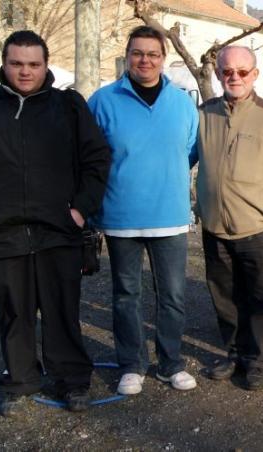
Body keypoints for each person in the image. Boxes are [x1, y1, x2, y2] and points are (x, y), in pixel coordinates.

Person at [0, 30, 111, 416]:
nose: (25, 72)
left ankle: (72, 381)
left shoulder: (68, 107)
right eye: (17, 63)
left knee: (62, 310)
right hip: (1, 232)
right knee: (14, 312)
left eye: (33, 64)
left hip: (58, 230)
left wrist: (81, 209)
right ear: (4, 64)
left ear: (46, 65)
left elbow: (97, 159)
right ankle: (20, 381)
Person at [87, 26, 199, 395]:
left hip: (170, 216)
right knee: (125, 295)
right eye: (138, 53)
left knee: (172, 296)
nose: (145, 60)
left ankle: (170, 364)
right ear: (127, 55)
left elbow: (189, 151)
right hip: (121, 217)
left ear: (163, 58)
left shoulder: (183, 102)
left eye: (152, 54)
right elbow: (90, 157)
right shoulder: (102, 101)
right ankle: (131, 365)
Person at [195, 46, 263, 391]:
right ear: (218, 74)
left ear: (255, 75)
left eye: (242, 72)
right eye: (228, 71)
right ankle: (233, 354)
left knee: (259, 298)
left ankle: (257, 360)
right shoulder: (202, 114)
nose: (234, 77)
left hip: (257, 227)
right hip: (214, 226)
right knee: (224, 296)